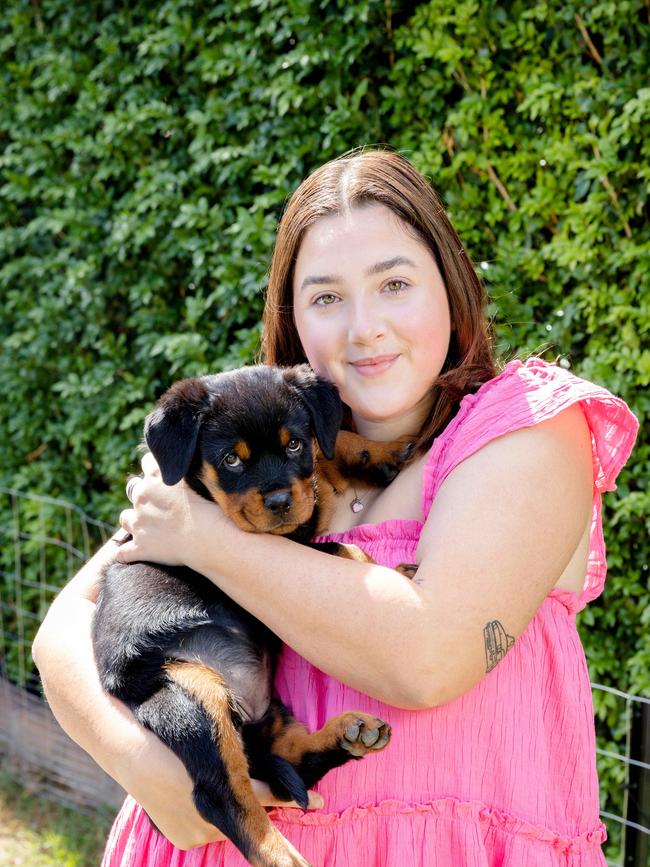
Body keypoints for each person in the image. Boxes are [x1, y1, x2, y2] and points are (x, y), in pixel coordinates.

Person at [33, 149, 638, 866]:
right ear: (291, 318)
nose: (364, 327)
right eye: (326, 297)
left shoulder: (529, 428)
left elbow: (428, 659)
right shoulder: (248, 448)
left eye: (395, 283)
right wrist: (150, 765)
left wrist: (211, 541)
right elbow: (62, 632)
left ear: (453, 284)